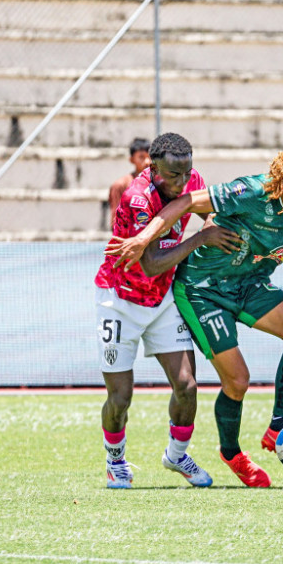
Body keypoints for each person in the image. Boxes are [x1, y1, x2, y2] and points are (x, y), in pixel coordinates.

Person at [106, 138, 283, 489]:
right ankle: (232, 453)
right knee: (238, 381)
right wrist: (144, 238)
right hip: (204, 289)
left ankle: (278, 427)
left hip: (249, 282)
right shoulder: (250, 190)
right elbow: (184, 202)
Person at [96, 132, 241, 489]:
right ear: (152, 167)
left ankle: (176, 456)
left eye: (186, 173)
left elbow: (209, 214)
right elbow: (152, 263)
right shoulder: (136, 198)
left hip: (162, 301)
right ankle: (116, 462)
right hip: (120, 299)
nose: (182, 182)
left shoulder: (192, 180)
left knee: (187, 386)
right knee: (121, 396)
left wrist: (210, 228)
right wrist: (201, 239)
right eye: (173, 176)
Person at [108, 137, 151, 227]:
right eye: (141, 157)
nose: (147, 162)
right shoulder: (120, 185)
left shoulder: (158, 184)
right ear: (132, 160)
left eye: (149, 157)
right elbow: (115, 221)